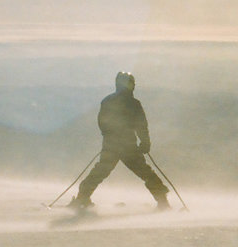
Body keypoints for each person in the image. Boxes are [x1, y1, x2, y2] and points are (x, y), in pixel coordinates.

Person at [70, 71, 170, 210]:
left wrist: (108, 136)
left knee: (99, 172)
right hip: (128, 145)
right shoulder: (134, 103)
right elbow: (141, 125)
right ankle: (163, 201)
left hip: (111, 145)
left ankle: (82, 198)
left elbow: (102, 122)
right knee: (145, 172)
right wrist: (145, 142)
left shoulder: (107, 101)